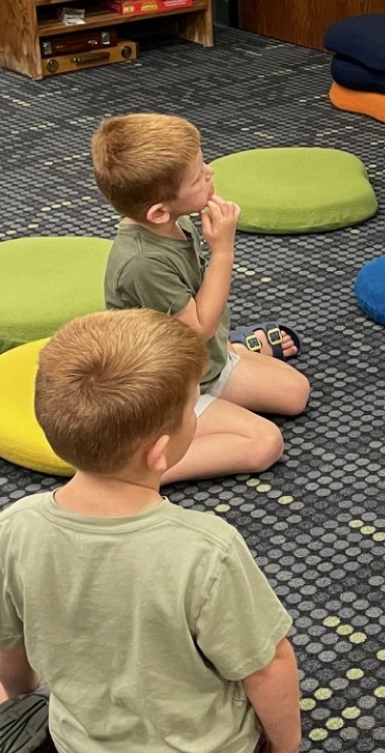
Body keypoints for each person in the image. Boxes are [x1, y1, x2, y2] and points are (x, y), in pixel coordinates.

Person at [0, 309, 313, 753]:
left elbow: (2, 641)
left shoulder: (13, 528)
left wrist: (21, 696)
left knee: (22, 690)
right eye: (192, 409)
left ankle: (25, 735)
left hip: (81, 747)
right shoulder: (207, 549)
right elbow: (268, 665)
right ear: (159, 452)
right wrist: (286, 752)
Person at [92, 113, 310, 480]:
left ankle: (234, 347)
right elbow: (199, 330)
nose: (210, 172)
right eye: (197, 177)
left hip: (201, 365)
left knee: (296, 393)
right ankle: (134, 476)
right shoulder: (143, 264)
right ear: (159, 211)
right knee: (265, 443)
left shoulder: (176, 221)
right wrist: (223, 251)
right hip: (167, 391)